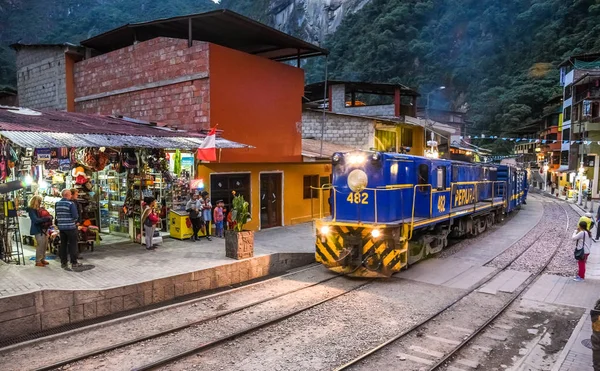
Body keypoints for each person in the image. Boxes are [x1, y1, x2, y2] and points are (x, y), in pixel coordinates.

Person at [55, 189, 80, 269]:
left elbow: (57, 215)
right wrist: (73, 221)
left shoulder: (57, 204)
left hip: (62, 228)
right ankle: (74, 262)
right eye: (70, 194)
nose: (71, 196)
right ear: (67, 195)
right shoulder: (70, 203)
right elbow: (75, 216)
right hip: (70, 227)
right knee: (73, 245)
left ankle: (64, 262)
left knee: (63, 245)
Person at [27, 195, 52, 267]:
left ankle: (42, 259)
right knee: (40, 245)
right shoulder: (32, 210)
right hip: (38, 229)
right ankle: (38, 260)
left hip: (43, 229)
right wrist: (47, 218)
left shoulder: (38, 209)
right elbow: (36, 220)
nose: (41, 203)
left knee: (44, 244)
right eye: (40, 201)